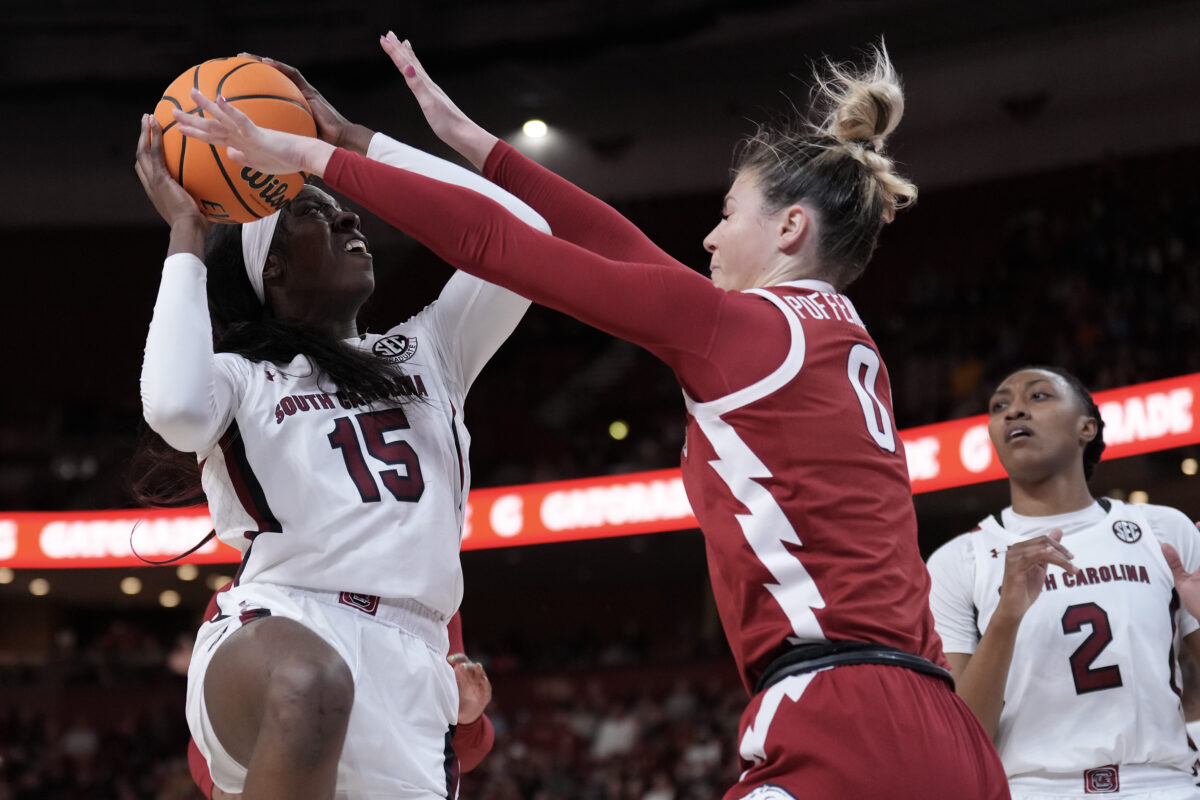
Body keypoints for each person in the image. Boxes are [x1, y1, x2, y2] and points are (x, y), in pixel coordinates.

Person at [171, 36, 1009, 798]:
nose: (708, 242)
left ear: (791, 227)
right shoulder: (840, 336)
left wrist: (316, 154)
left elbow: (505, 250)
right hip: (945, 727)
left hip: (844, 708)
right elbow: (615, 244)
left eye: (725, 216)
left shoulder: (737, 327)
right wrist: (470, 146)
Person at [134, 55, 547, 800]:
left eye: (339, 205)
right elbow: (173, 408)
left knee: (322, 687)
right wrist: (186, 237)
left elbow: (521, 228)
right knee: (309, 678)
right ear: (276, 274)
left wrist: (354, 143)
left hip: (415, 667)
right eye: (313, 212)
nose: (351, 214)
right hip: (279, 626)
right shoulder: (244, 379)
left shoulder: (430, 350)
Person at [927, 366, 1200, 799]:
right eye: (1000, 405)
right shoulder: (956, 561)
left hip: (1162, 784)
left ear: (1086, 427)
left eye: (1038, 397)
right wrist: (1006, 615)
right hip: (1032, 790)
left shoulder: (1164, 530)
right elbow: (963, 736)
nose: (1014, 410)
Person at [185, 592, 495, 800]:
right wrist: (225, 792)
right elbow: (202, 745)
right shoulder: (254, 590)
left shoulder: (433, 607)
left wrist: (468, 715)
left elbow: (460, 754)